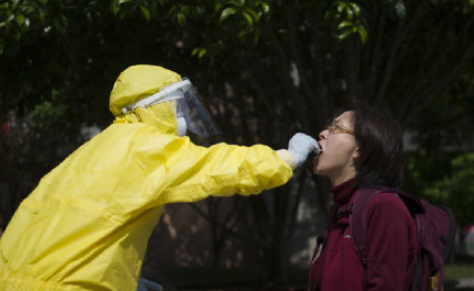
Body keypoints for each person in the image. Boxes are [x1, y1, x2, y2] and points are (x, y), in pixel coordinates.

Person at [0, 65, 319, 291]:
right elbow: (219, 166)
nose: (184, 117)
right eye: (178, 107)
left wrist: (121, 279)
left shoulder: (97, 148)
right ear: (152, 108)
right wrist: (286, 158)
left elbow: (72, 228)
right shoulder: (146, 147)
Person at [309, 101, 417, 291]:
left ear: (360, 148)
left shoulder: (385, 207)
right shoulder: (342, 208)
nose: (323, 133)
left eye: (336, 128)